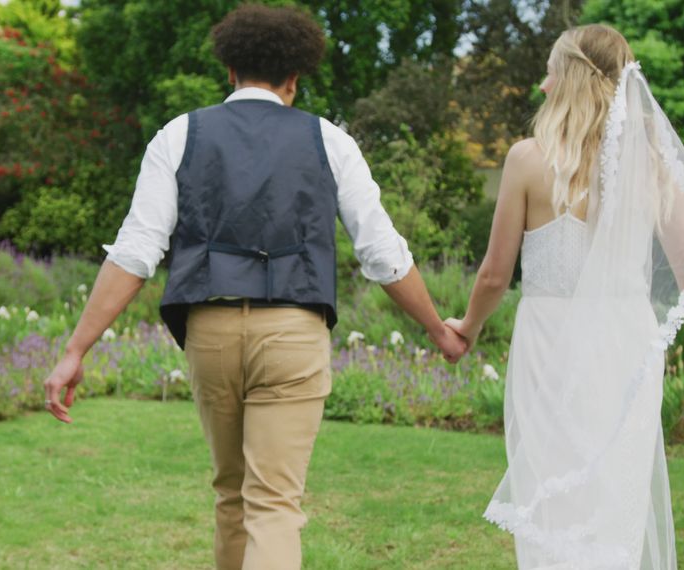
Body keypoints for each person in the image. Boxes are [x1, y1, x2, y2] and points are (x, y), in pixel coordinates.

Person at [41, 4, 466, 570]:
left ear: (229, 72)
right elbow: (383, 254)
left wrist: (75, 349)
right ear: (294, 78)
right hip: (293, 334)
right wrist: (438, 330)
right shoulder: (330, 141)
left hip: (210, 333)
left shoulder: (178, 135)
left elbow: (137, 252)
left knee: (231, 496)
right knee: (273, 505)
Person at [446, 24, 684, 569]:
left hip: (549, 346)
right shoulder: (651, 165)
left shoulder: (527, 160)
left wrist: (466, 328)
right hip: (624, 347)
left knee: (553, 498)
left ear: (570, 78)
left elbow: (495, 275)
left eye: (549, 71)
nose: (541, 86)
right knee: (614, 493)